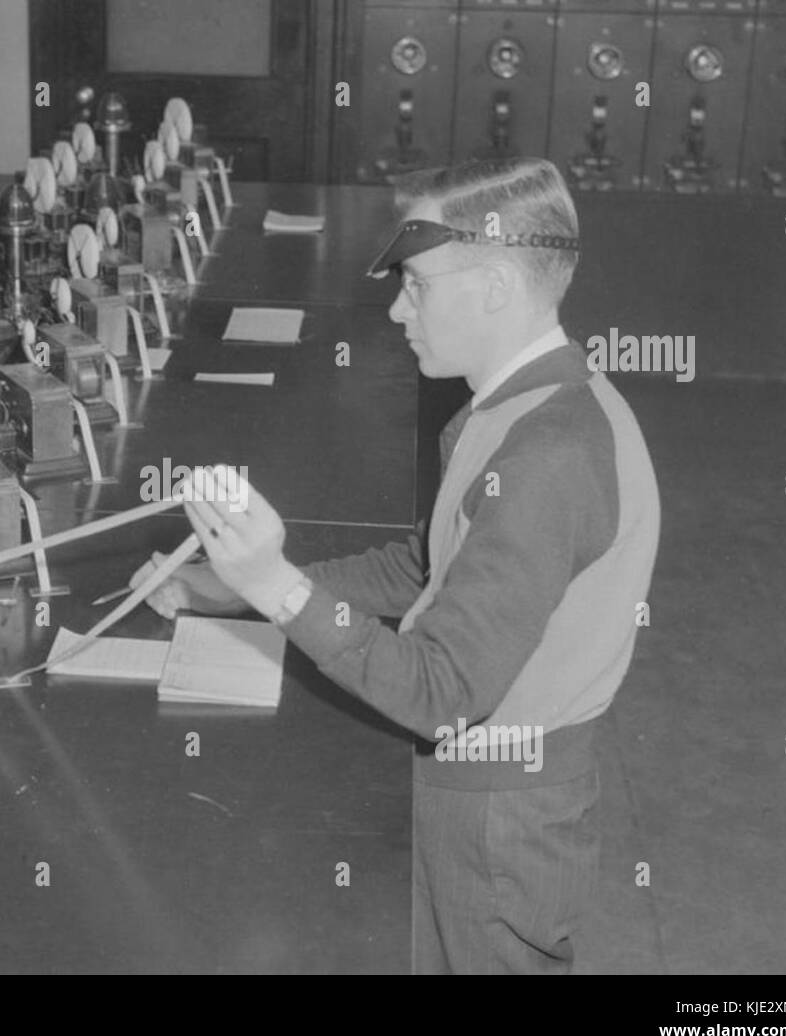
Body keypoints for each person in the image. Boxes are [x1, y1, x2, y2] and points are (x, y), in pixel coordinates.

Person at [129, 157, 661, 974]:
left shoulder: (548, 456)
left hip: (499, 812)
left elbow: (442, 693)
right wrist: (233, 588)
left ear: (490, 286)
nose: (395, 306)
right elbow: (426, 565)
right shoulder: (522, 406)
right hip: (491, 790)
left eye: (415, 284)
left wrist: (279, 585)